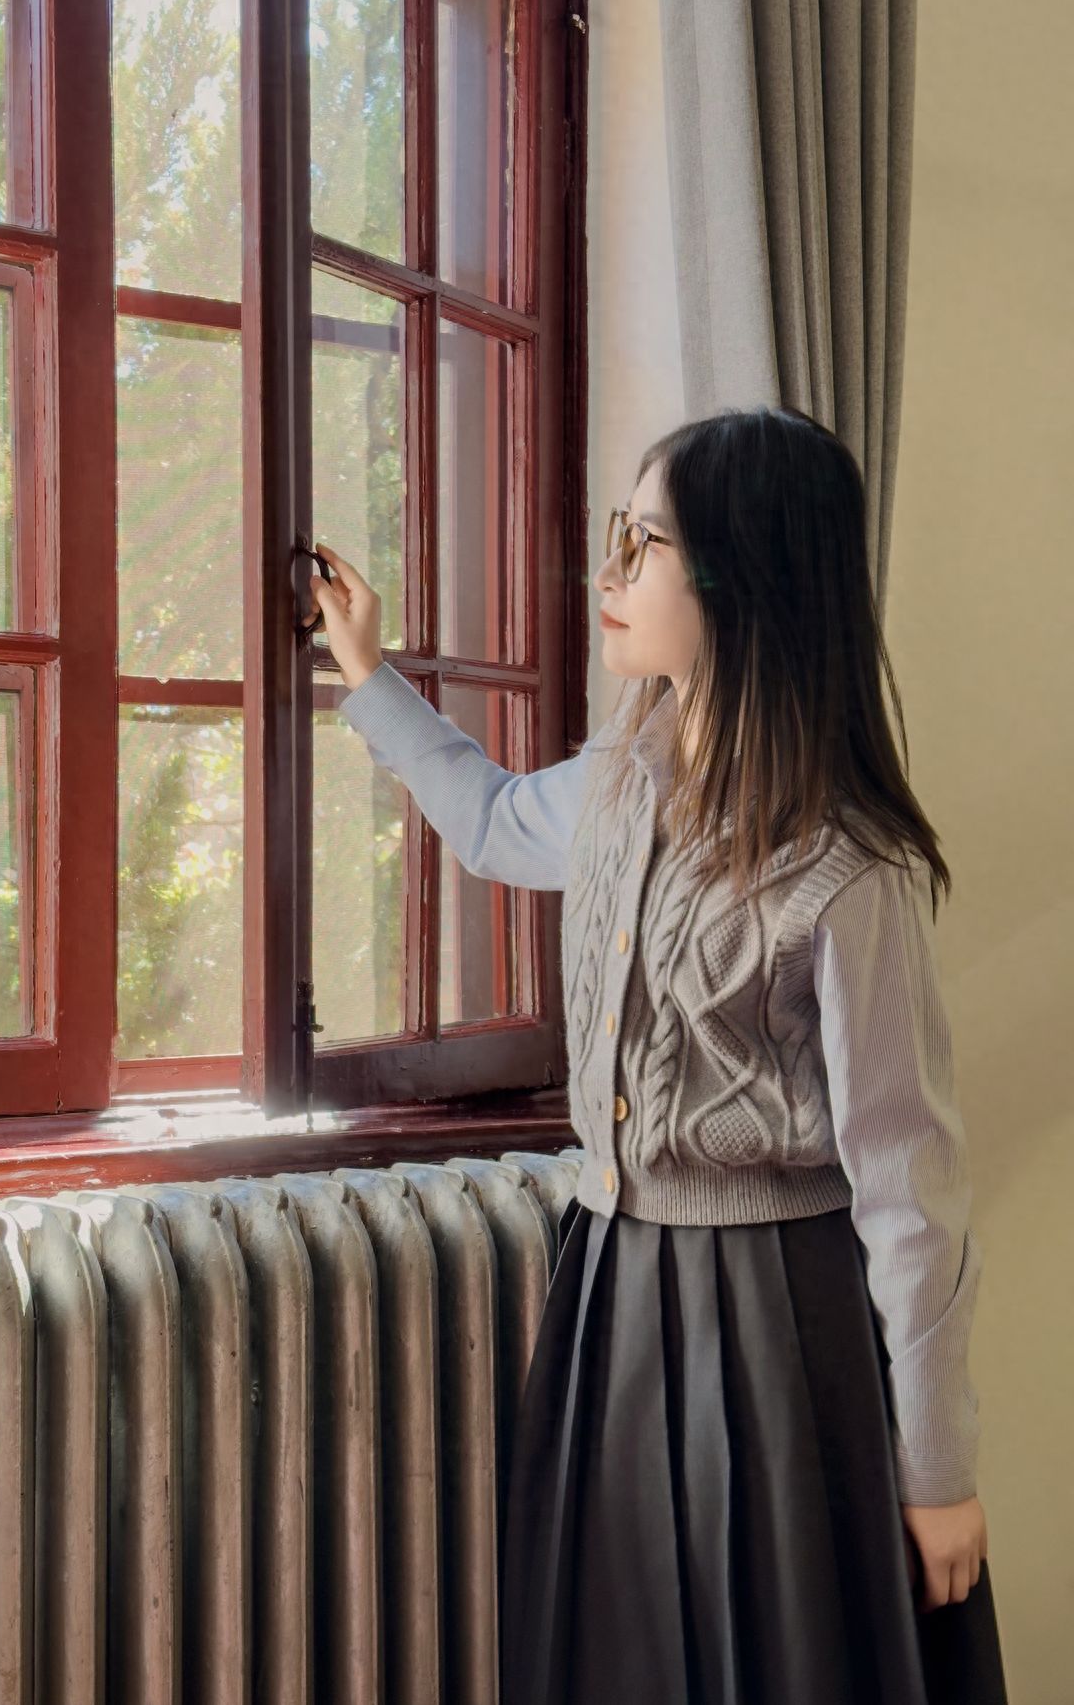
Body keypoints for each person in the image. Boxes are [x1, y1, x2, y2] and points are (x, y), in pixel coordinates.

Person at [308, 403, 1009, 1704]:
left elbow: (913, 1196)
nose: (606, 576)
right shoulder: (622, 777)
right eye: (613, 541)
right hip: (613, 1292)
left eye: (643, 545)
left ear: (742, 575)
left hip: (783, 1327)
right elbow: (493, 821)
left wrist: (937, 1473)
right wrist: (367, 672)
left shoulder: (847, 872)